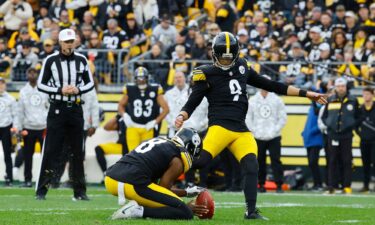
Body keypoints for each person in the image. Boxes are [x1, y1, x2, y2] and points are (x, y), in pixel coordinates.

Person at [175, 32, 327, 219]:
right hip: (220, 127)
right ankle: (160, 170)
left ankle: (251, 211)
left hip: (241, 129)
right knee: (200, 162)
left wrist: (306, 93)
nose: (226, 62)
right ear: (214, 55)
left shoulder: (242, 66)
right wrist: (183, 114)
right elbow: (194, 99)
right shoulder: (204, 72)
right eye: (223, 58)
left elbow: (271, 85)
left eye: (229, 58)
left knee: (251, 165)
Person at [35, 28, 94, 200]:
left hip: (76, 109)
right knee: (51, 150)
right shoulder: (50, 60)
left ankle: (80, 192)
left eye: (72, 41)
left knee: (77, 151)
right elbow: (41, 84)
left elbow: (89, 83)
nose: (70, 44)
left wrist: (77, 89)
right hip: (57, 109)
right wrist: (60, 90)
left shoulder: (82, 60)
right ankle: (41, 191)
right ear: (60, 42)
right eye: (67, 41)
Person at [105, 127, 208, 220]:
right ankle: (135, 211)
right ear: (191, 148)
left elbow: (157, 189)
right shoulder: (177, 159)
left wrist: (186, 192)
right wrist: (186, 200)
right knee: (185, 212)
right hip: (132, 181)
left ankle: (137, 207)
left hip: (111, 179)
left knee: (152, 195)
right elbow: (164, 190)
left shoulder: (161, 141)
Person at [246, 75, 287, 193]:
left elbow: (282, 117)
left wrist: (275, 130)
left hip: (274, 136)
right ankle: (261, 184)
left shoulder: (277, 99)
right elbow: (248, 117)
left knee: (276, 160)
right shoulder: (253, 100)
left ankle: (279, 184)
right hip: (258, 136)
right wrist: (254, 130)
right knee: (259, 161)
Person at [322, 78, 359, 194]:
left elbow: (358, 116)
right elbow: (324, 116)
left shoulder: (353, 100)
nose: (341, 88)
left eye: (343, 86)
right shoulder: (330, 99)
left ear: (346, 87)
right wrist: (329, 125)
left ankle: (346, 186)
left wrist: (351, 125)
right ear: (335, 88)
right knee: (332, 160)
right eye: (338, 86)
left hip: (347, 135)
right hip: (333, 135)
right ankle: (331, 186)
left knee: (347, 160)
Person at [118, 66, 169, 151]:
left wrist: (155, 122)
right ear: (135, 78)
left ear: (147, 78)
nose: (141, 80)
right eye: (138, 77)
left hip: (147, 127)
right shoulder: (130, 89)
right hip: (133, 127)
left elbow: (166, 109)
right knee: (132, 154)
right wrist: (125, 115)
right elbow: (120, 105)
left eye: (143, 77)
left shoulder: (155, 89)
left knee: (146, 155)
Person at [17, 68, 49, 187]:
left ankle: (44, 181)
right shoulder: (23, 91)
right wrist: (19, 127)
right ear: (26, 75)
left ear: (37, 74)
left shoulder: (44, 89)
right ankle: (28, 180)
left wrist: (48, 124)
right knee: (27, 156)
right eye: (29, 72)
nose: (32, 74)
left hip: (43, 127)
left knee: (45, 156)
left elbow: (49, 107)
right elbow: (20, 111)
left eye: (34, 72)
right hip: (28, 127)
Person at [95, 114, 127, 181]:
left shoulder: (136, 118)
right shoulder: (122, 119)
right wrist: (118, 116)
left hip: (132, 146)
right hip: (120, 146)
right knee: (99, 148)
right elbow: (106, 127)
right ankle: (106, 174)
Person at [0, 77, 18, 186]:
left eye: (2, 84)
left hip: (6, 128)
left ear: (5, 85)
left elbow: (15, 114)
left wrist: (15, 127)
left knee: (7, 154)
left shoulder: (11, 98)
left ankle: (9, 178)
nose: (0, 86)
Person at [356, 87, 375, 192]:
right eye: (364, 94)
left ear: (372, 95)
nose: (366, 96)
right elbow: (355, 125)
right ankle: (366, 185)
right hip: (364, 141)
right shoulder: (360, 109)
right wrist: (361, 134)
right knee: (365, 164)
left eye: (368, 94)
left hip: (374, 141)